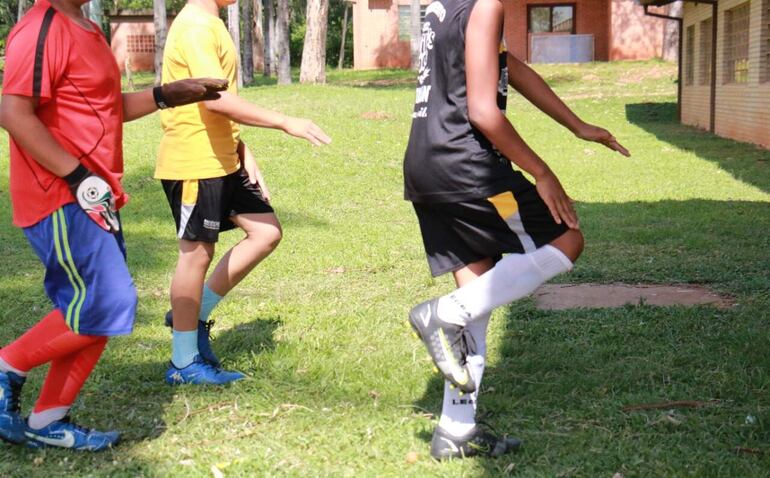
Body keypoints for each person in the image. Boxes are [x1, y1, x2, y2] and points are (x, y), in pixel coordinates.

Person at [404, 0, 630, 459]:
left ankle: (456, 429)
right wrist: (542, 171)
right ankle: (439, 315)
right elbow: (484, 112)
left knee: (477, 301)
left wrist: (577, 126)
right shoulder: (486, 5)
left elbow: (511, 67)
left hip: (427, 164)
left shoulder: (441, 6)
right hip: (468, 165)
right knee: (568, 239)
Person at [0, 0, 227, 451]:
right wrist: (77, 176)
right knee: (108, 302)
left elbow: (104, 108)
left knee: (100, 309)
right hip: (60, 194)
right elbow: (12, 111)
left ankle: (49, 419)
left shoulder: (86, 26)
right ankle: (7, 366)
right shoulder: (40, 27)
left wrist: (166, 94)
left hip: (94, 195)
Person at [157, 0, 331, 385]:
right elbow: (213, 99)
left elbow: (212, 100)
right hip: (194, 161)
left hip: (222, 158)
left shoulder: (210, 22)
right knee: (196, 255)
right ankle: (184, 363)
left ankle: (193, 313)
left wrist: (240, 147)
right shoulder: (197, 27)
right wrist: (286, 121)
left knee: (266, 232)